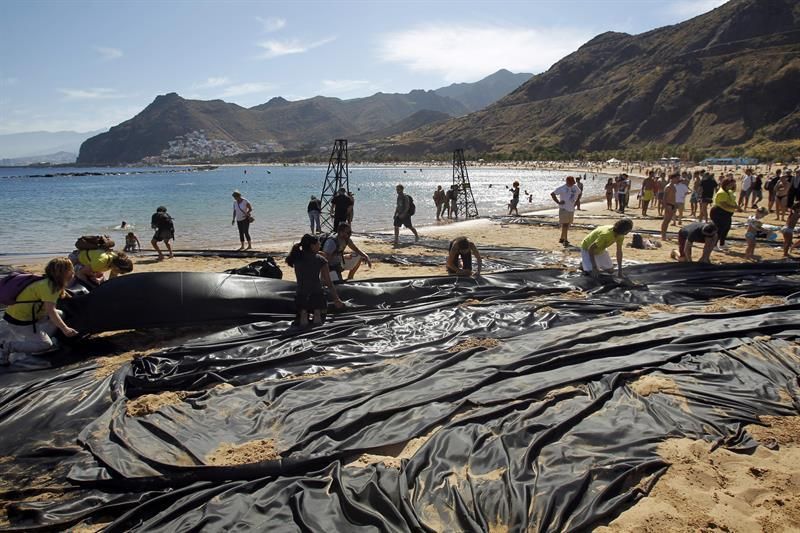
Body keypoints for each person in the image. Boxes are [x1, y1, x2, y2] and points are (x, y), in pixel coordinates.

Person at [0, 258, 79, 365]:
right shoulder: (50, 287)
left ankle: (40, 340)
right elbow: (51, 311)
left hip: (26, 315)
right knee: (46, 344)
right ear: (63, 272)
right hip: (21, 321)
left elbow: (62, 296)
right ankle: (8, 346)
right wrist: (65, 329)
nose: (73, 272)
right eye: (71, 270)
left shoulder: (48, 281)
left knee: (61, 314)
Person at [285, 234, 342, 328]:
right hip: (316, 295)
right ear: (312, 246)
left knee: (303, 315)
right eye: (318, 244)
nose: (320, 246)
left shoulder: (296, 258)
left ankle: (303, 321)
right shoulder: (321, 260)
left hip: (300, 295)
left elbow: (307, 257)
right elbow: (329, 283)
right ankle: (316, 326)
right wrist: (336, 299)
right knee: (317, 315)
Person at [550, 176, 581, 246]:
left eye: (573, 182)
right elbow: (552, 194)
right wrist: (558, 202)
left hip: (571, 208)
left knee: (568, 224)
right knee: (565, 225)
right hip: (563, 208)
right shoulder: (562, 188)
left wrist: (577, 201)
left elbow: (579, 193)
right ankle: (565, 239)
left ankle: (561, 238)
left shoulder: (575, 187)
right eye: (571, 182)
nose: (572, 183)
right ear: (567, 181)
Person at [710, 177, 738, 250]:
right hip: (719, 212)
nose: (732, 186)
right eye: (731, 184)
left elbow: (732, 198)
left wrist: (735, 206)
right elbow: (723, 204)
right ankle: (714, 245)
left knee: (726, 228)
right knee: (719, 229)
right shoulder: (722, 192)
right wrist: (735, 207)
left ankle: (722, 243)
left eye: (733, 184)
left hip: (727, 213)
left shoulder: (729, 191)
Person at [660, 174, 679, 240]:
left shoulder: (674, 186)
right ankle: (663, 236)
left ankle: (664, 235)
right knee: (666, 221)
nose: (678, 179)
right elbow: (664, 198)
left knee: (668, 221)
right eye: (677, 178)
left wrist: (676, 205)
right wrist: (666, 207)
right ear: (673, 178)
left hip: (673, 205)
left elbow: (674, 197)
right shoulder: (668, 186)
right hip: (669, 205)